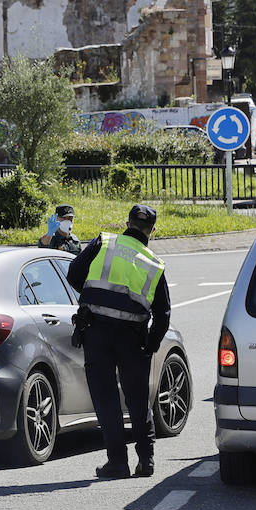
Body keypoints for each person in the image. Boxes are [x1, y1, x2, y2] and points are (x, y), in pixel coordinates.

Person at [66, 204, 171, 480]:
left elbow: (74, 274)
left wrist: (94, 295)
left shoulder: (105, 242)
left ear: (126, 222)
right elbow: (163, 314)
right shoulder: (153, 263)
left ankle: (117, 462)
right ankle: (146, 460)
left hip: (97, 332)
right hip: (133, 337)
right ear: (153, 231)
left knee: (106, 397)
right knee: (137, 398)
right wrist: (151, 343)